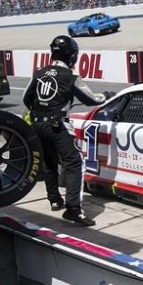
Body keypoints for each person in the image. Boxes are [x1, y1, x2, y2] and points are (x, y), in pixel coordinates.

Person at [22, 35, 104, 226]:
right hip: (57, 125)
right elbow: (91, 100)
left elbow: (26, 98)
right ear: (72, 56)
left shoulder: (40, 72)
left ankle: (54, 199)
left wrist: (42, 107)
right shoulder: (71, 77)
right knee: (75, 162)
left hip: (37, 124)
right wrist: (105, 96)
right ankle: (73, 209)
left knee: (49, 162)